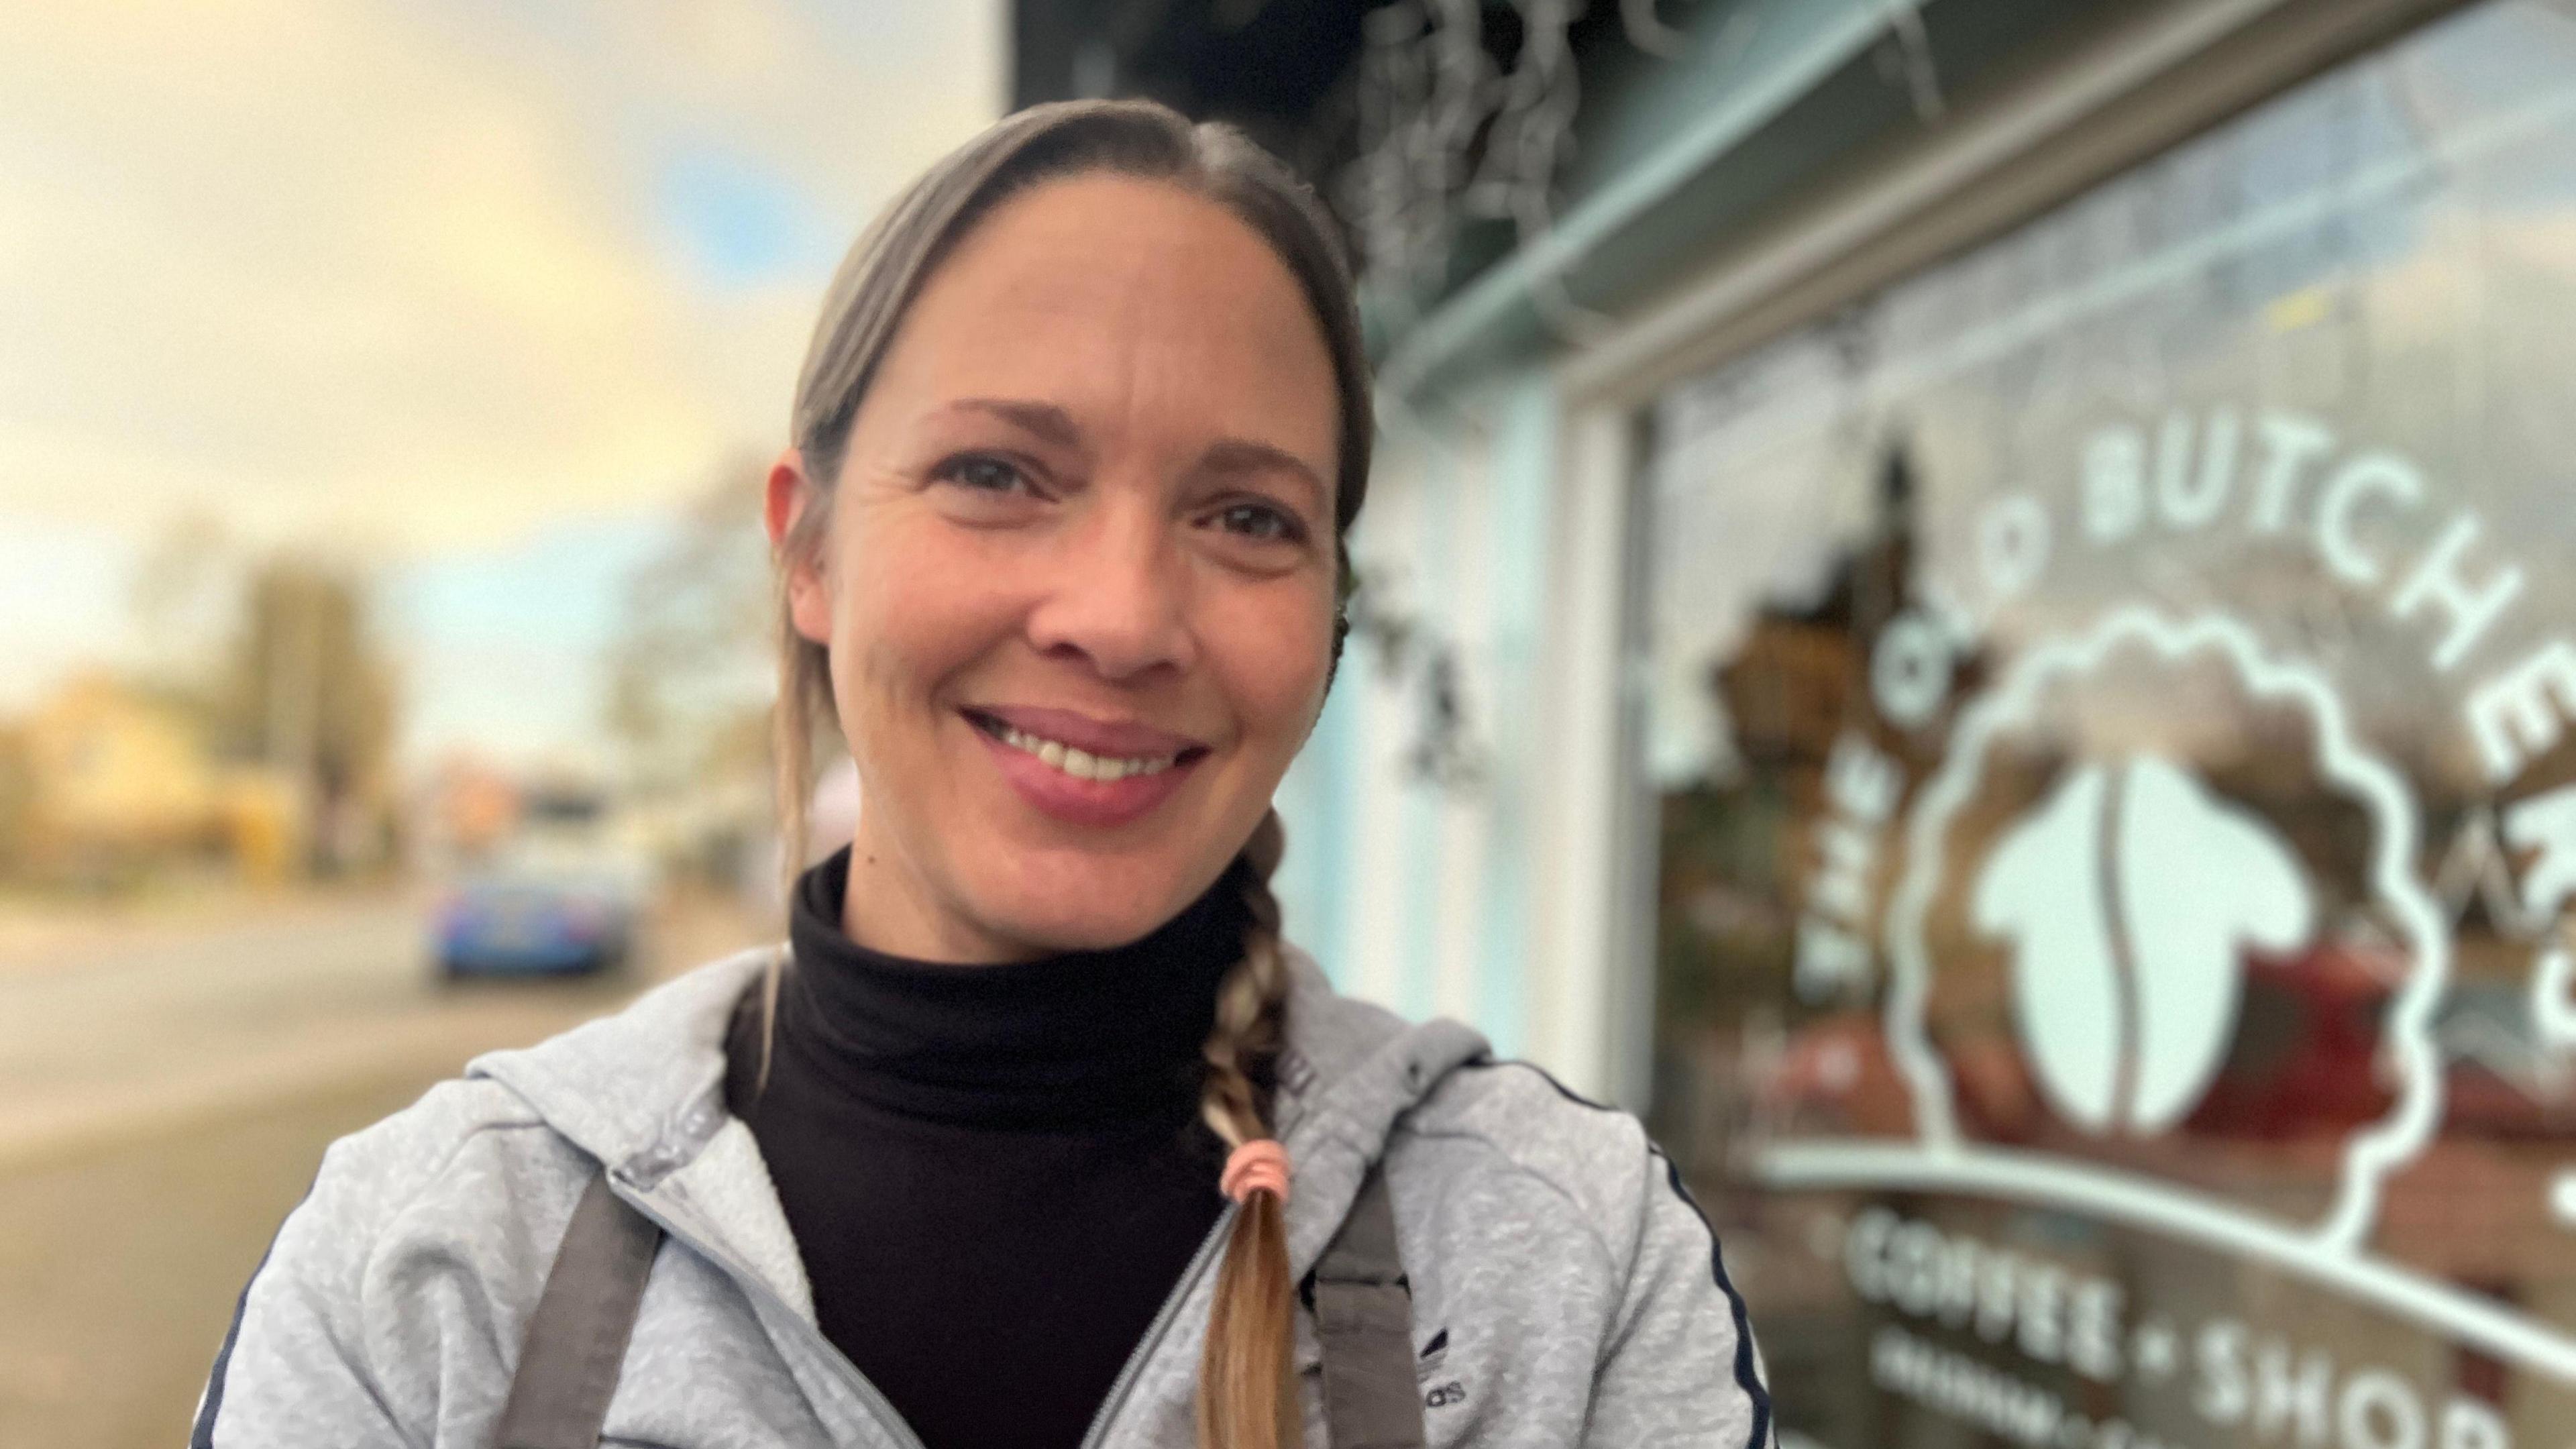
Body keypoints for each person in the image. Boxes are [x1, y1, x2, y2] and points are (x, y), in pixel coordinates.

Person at [190, 98, 1773, 1449]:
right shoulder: (436, 1268)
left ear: (1333, 619)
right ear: (810, 550)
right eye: (998, 474)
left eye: (1247, 517)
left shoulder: (1565, 1262)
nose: (1123, 618)